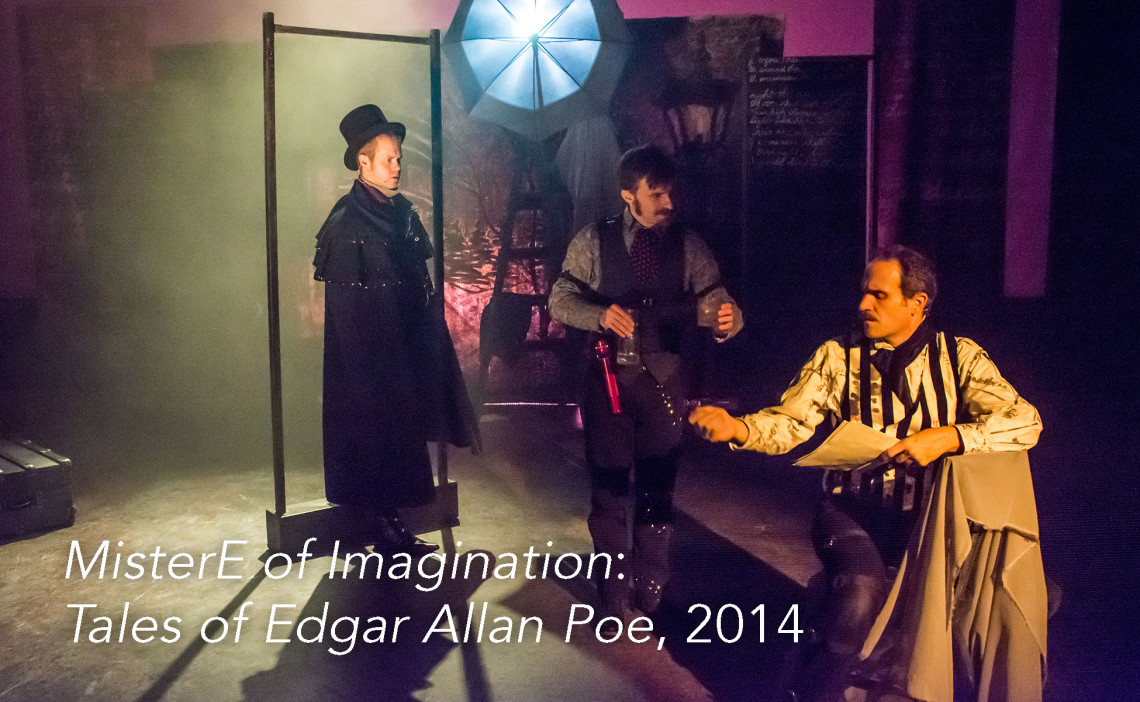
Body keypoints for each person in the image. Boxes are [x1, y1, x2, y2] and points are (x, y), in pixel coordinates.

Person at [689, 246, 1044, 701]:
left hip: (929, 522)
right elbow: (792, 422)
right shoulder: (838, 356)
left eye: (879, 295)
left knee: (989, 604)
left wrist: (949, 436)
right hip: (852, 512)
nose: (863, 304)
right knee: (859, 596)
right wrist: (738, 428)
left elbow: (1026, 421)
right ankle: (810, 692)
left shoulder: (960, 358)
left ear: (917, 303)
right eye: (863, 293)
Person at [548, 145, 743, 627]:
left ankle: (652, 581)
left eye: (670, 193)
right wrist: (598, 315)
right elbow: (559, 299)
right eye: (656, 194)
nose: (668, 203)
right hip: (607, 381)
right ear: (627, 194)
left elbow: (718, 299)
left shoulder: (688, 244)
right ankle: (613, 586)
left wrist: (728, 319)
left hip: (664, 380)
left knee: (659, 485)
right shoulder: (593, 240)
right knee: (609, 487)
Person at [313, 104, 480, 555]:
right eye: (388, 159)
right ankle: (382, 528)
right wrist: (371, 370)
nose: (396, 167)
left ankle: (392, 527)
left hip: (403, 349)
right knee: (376, 439)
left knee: (402, 437)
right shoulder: (346, 225)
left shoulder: (400, 212)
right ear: (363, 162)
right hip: (371, 360)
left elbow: (414, 282)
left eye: (398, 158)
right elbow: (348, 315)